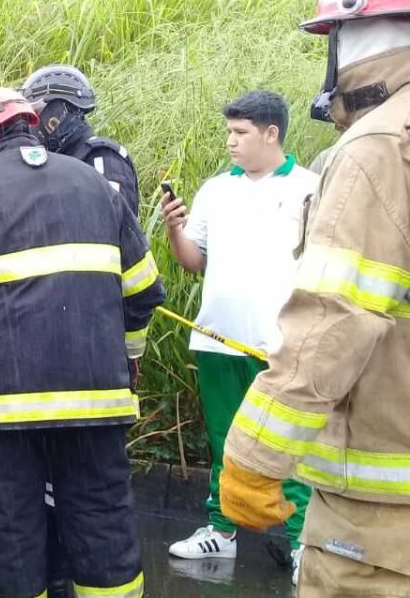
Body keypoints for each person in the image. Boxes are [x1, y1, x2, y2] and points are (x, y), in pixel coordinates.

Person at [219, 0, 410, 594]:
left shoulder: (380, 145)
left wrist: (252, 457)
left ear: (358, 34)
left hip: (381, 526)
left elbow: (337, 315)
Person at [0, 87, 163, 598]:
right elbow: (144, 290)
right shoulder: (96, 186)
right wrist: (127, 359)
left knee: (8, 529)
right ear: (32, 125)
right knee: (103, 521)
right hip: (94, 398)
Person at [160, 90, 318, 582]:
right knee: (225, 440)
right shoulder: (215, 190)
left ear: (271, 133)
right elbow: (194, 262)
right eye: (229, 131)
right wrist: (174, 229)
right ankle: (220, 531)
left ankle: (301, 543)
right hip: (217, 339)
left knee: (285, 445)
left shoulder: (310, 188)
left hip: (279, 346)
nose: (230, 141)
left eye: (240, 132)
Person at [22, 65, 140, 216]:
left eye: (37, 113)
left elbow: (113, 223)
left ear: (59, 110)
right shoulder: (54, 164)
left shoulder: (102, 157)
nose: (32, 125)